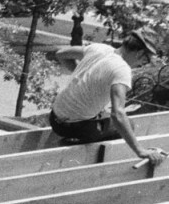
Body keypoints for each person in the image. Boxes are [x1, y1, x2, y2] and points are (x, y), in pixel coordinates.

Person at [48, 28, 166, 167]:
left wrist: (80, 74)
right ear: (140, 53)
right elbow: (118, 114)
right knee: (129, 125)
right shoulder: (121, 70)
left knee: (104, 116)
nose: (143, 64)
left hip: (54, 119)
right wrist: (140, 151)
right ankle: (81, 150)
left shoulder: (99, 48)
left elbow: (60, 54)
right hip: (75, 129)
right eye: (146, 60)